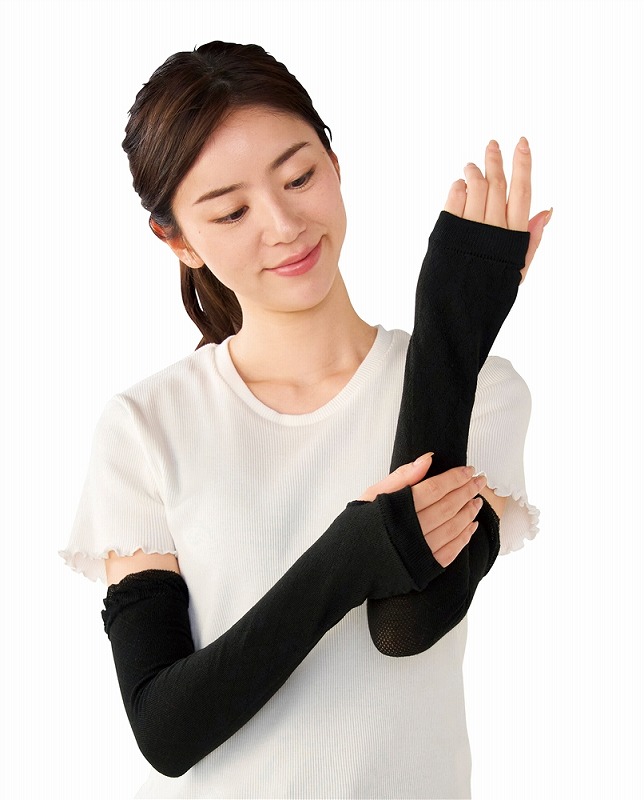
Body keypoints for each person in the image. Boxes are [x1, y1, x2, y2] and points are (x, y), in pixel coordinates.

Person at [60, 40, 549, 799]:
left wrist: (451, 332)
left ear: (335, 163)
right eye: (231, 211)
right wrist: (351, 552)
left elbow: (408, 624)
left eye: (299, 177)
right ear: (178, 239)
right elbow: (166, 729)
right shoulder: (147, 427)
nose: (284, 223)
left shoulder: (477, 390)